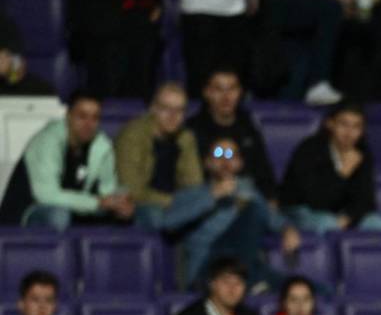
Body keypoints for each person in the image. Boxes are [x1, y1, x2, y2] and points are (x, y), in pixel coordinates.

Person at [173, 135, 300, 290]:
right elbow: (169, 222)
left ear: (239, 163)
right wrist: (212, 196)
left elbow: (273, 219)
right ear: (207, 162)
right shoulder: (192, 194)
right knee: (254, 210)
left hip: (247, 266)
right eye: (219, 154)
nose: (225, 161)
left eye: (231, 155)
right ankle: (252, 283)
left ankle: (251, 282)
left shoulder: (249, 193)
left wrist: (287, 228)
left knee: (311, 290)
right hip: (208, 270)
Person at [0, 90, 134, 229]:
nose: (88, 124)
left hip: (74, 211)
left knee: (128, 217)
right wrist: (97, 203)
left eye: (95, 118)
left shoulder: (102, 147)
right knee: (58, 216)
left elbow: (107, 190)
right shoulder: (47, 141)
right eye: (82, 116)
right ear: (68, 116)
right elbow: (46, 195)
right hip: (26, 215)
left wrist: (119, 204)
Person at [279, 102, 381, 234]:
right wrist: (343, 173)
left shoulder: (362, 153)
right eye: (344, 125)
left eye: (356, 127)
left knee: (377, 224)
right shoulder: (310, 149)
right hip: (301, 211)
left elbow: (367, 201)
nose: (349, 133)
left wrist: (349, 217)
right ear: (330, 124)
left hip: (339, 213)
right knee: (328, 224)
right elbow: (314, 200)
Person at [115, 82, 204, 229]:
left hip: (176, 205)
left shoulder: (186, 137)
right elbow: (133, 191)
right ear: (153, 108)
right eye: (166, 109)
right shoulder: (133, 136)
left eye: (179, 111)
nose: (172, 116)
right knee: (157, 216)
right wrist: (177, 202)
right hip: (140, 204)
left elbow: (194, 183)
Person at [187, 67, 277, 203]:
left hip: (248, 201)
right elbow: (187, 180)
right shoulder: (192, 130)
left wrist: (271, 201)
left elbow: (264, 173)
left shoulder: (248, 126)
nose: (226, 97)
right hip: (206, 198)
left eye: (232, 89)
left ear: (240, 91)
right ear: (207, 92)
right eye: (219, 89)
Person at [0, 7, 54, 96]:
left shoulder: (3, 23)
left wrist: (10, 69)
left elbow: (17, 66)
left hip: (7, 86)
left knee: (44, 92)